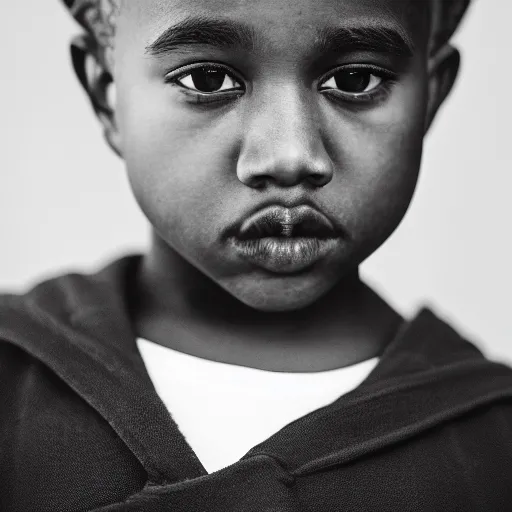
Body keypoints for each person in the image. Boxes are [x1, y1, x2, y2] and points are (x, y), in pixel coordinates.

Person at [1, 0, 511, 510]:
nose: (289, 156)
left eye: (356, 80)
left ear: (432, 94)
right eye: (206, 79)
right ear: (106, 92)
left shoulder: (494, 450)